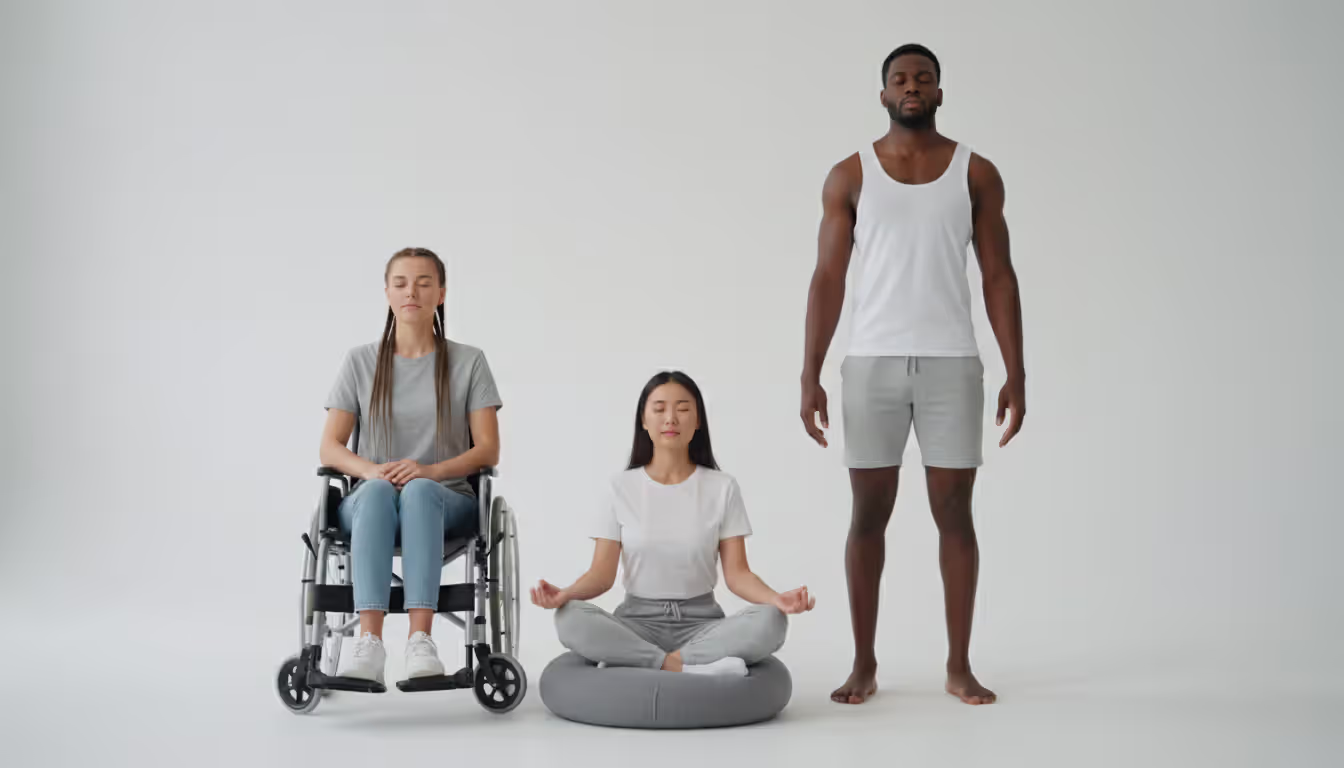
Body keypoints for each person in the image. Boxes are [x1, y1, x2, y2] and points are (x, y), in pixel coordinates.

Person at [799, 43, 1025, 705]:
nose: (912, 87)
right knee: (868, 513)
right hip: (871, 362)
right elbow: (827, 277)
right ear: (883, 94)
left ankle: (958, 665)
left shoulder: (976, 173)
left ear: (940, 92)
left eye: (923, 78)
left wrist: (1016, 368)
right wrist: (809, 372)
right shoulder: (850, 175)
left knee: (955, 513)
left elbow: (999, 275)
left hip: (953, 362)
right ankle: (863, 663)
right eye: (900, 79)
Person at [531, 371, 815, 676]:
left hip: (702, 626)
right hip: (635, 624)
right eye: (659, 409)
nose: (671, 419)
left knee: (772, 621)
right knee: (569, 617)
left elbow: (738, 574)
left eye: (682, 409)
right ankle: (684, 664)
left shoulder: (723, 487)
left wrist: (776, 599)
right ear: (643, 420)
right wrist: (564, 595)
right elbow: (601, 575)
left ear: (698, 420)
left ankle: (644, 661)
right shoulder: (619, 488)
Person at [319, 247, 503, 685]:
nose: (412, 292)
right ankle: (370, 644)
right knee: (382, 492)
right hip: (370, 500)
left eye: (424, 282)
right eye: (401, 283)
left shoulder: (468, 361)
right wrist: (371, 471)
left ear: (441, 293)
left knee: (418, 492)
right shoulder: (360, 361)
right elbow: (330, 447)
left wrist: (430, 472)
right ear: (387, 292)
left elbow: (488, 450)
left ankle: (422, 641)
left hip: (446, 498)